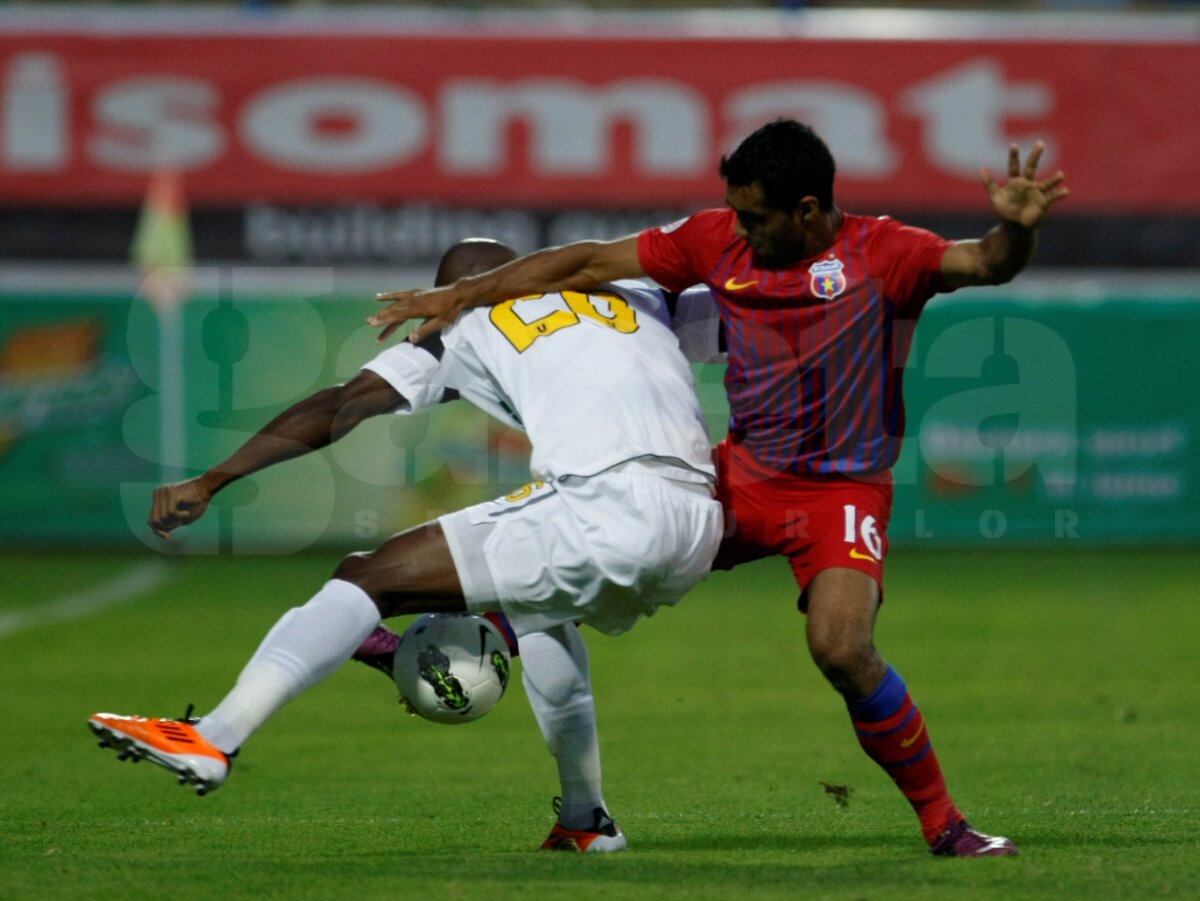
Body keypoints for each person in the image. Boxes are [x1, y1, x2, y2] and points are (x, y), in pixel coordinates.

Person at [368, 119, 1071, 857]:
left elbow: (987, 262)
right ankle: (407, 621)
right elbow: (583, 262)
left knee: (841, 647)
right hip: (738, 478)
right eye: (734, 211)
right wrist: (465, 296)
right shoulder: (715, 240)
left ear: (806, 210)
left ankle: (947, 825)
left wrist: (1015, 230)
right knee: (603, 538)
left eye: (755, 216)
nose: (739, 229)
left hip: (841, 495)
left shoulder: (885, 252)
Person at [88, 239, 724, 853]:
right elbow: (744, 325)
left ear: (457, 290)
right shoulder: (638, 293)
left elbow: (340, 406)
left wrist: (213, 479)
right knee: (542, 613)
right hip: (697, 519)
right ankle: (587, 821)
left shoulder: (470, 322)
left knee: (367, 574)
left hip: (603, 501)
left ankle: (215, 737)